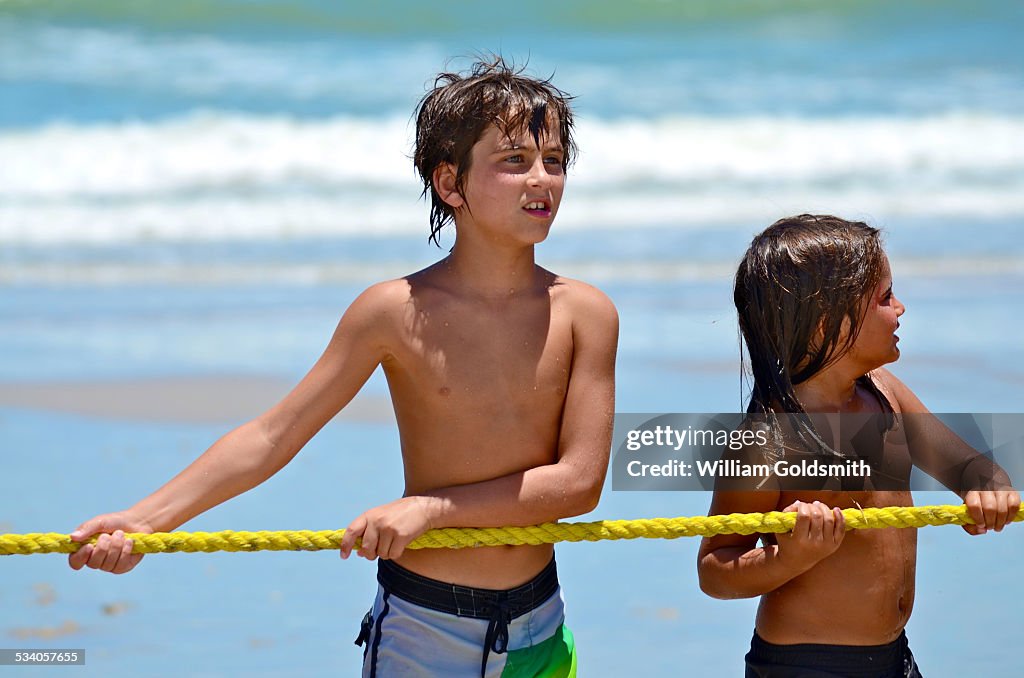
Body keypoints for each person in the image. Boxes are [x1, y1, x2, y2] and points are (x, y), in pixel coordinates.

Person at [67, 56, 618, 678]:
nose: (541, 179)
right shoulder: (393, 311)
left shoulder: (585, 314)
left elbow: (579, 484)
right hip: (423, 629)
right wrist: (147, 521)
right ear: (450, 183)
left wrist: (429, 509)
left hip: (539, 626)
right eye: (514, 161)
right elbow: (273, 435)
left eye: (555, 161)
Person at [696, 214, 1018, 677]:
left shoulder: (886, 395)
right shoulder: (768, 442)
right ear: (829, 324)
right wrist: (792, 556)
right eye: (886, 297)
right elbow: (714, 567)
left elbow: (967, 465)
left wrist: (989, 487)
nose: (901, 308)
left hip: (894, 658)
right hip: (805, 666)